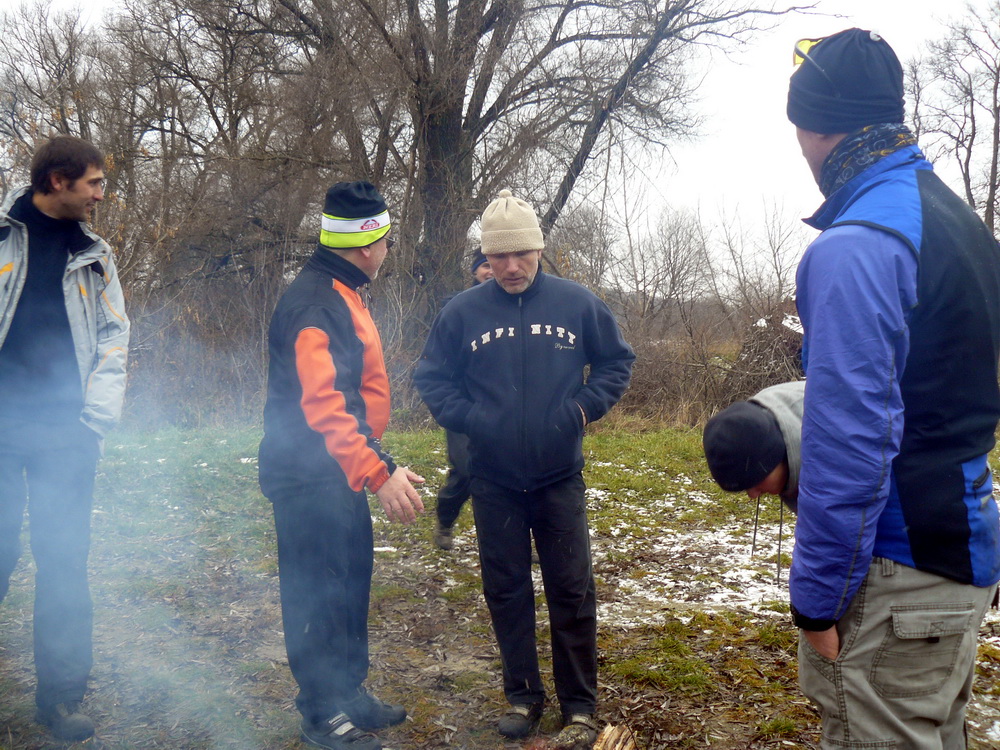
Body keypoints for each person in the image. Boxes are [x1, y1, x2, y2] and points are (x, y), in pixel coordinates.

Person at [786, 29, 1000, 748]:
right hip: (964, 549)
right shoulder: (956, 223)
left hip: (898, 566)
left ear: (815, 126)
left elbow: (852, 441)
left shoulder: (857, 245)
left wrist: (817, 600)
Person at [414, 190, 634, 748]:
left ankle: (579, 706)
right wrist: (472, 419)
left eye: (522, 254)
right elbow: (432, 378)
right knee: (507, 590)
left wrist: (581, 409)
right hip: (493, 480)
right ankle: (523, 696)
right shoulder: (462, 312)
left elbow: (616, 361)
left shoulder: (576, 303)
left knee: (572, 590)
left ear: (539, 248)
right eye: (499, 256)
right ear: (486, 257)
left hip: (559, 476)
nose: (511, 267)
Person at [258, 181, 425, 750]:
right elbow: (325, 404)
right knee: (318, 592)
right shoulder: (316, 304)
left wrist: (375, 463)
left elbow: (351, 393)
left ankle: (348, 691)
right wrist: (378, 471)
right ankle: (320, 712)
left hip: (338, 470)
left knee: (349, 583)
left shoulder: (341, 290)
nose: (388, 250)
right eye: (386, 240)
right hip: (307, 475)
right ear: (367, 244)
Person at [0, 135, 130, 741]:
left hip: (65, 434)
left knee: (64, 563)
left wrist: (94, 423)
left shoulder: (95, 255)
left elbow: (113, 338)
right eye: (94, 183)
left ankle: (60, 698)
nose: (101, 195)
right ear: (57, 180)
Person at [432, 250, 493, 550]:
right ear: (474, 272)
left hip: (501, 407)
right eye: (484, 266)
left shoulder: (519, 307)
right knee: (466, 470)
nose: (490, 271)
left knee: (510, 475)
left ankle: (513, 538)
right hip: (463, 407)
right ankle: (445, 520)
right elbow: (437, 364)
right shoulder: (455, 307)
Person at [702, 379, 804, 513]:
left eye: (755, 480)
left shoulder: (827, 446)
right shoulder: (764, 416)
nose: (753, 495)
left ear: (779, 456)